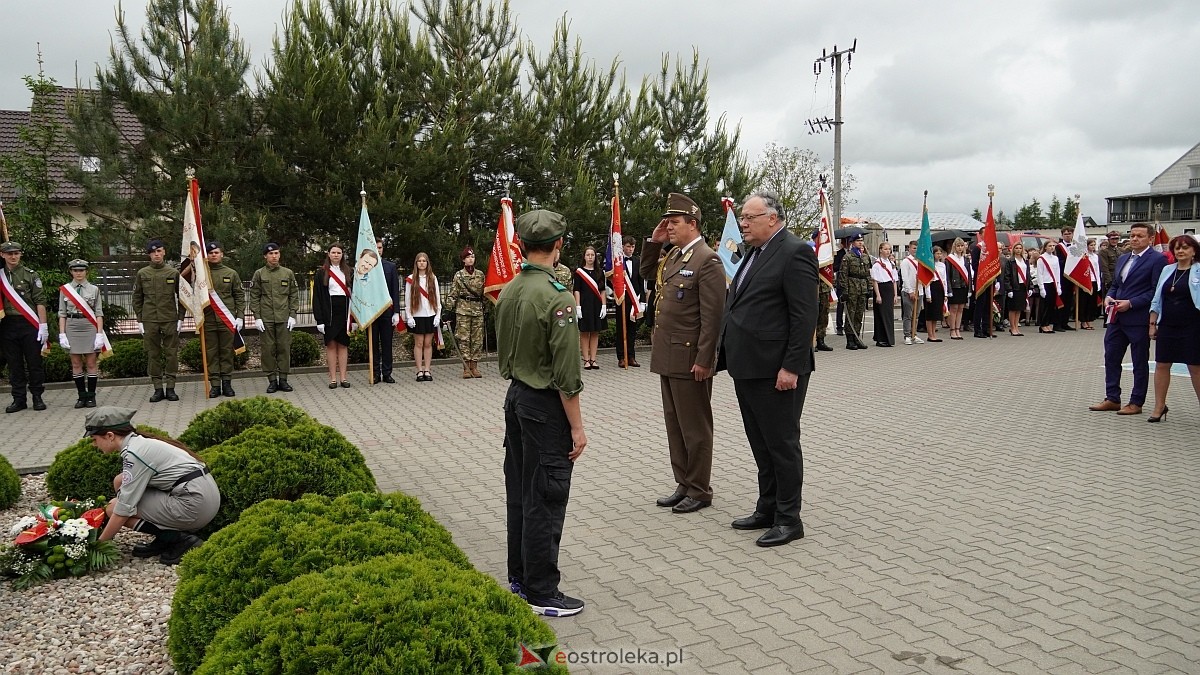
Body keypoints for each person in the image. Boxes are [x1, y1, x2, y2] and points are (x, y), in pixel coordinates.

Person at [495, 209, 587, 617]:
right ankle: (542, 591)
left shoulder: (510, 289)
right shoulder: (557, 297)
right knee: (546, 497)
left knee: (520, 493)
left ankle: (520, 578)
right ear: (558, 245)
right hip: (545, 406)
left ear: (523, 245)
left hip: (516, 398)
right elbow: (567, 375)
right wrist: (577, 428)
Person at [717, 190, 817, 547]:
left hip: (777, 371)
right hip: (748, 366)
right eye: (743, 217)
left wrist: (791, 367)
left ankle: (789, 520)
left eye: (749, 217)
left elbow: (804, 316)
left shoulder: (795, 252)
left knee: (782, 444)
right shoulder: (754, 252)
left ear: (772, 219)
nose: (742, 223)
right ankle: (768, 507)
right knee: (761, 444)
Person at [639, 193, 725, 515]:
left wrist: (705, 359)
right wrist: (654, 241)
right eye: (668, 222)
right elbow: (647, 273)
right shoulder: (675, 255)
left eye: (674, 222)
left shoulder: (707, 259)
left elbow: (712, 318)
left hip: (690, 358)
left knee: (695, 427)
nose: (669, 227)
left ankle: (700, 489)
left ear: (692, 224)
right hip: (668, 354)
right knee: (675, 424)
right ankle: (684, 483)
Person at [85, 406, 219, 565]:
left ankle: (178, 539)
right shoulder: (140, 443)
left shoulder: (135, 454)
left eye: (94, 439)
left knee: (113, 507)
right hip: (203, 497)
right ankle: (165, 537)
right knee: (119, 482)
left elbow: (123, 510)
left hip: (194, 506)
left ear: (110, 436)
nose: (94, 444)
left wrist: (98, 545)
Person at [1089, 223, 1167, 416]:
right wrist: (1109, 296)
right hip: (1117, 318)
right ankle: (1112, 398)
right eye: (1132, 235)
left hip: (1138, 318)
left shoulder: (1157, 260)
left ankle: (1136, 401)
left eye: (1140, 236)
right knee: (1111, 357)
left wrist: (1131, 303)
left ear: (1150, 239)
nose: (1134, 239)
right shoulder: (1124, 258)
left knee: (1139, 362)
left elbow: (1156, 291)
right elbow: (1117, 284)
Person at [1147, 235, 1200, 422]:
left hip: (1193, 325)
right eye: (1177, 248)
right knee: (1162, 364)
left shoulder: (1198, 270)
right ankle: (1159, 406)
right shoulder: (1167, 270)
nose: (1180, 251)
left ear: (1194, 251)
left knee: (1195, 366)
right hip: (1168, 325)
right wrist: (1152, 323)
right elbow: (1157, 298)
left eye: (1185, 247)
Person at [134, 239, 185, 403]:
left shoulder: (173, 273)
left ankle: (170, 388)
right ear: (149, 254)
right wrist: (140, 320)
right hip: (150, 319)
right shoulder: (143, 273)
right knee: (153, 354)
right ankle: (157, 389)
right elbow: (137, 298)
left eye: (159, 251)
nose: (156, 254)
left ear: (164, 252)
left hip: (169, 318)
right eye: (153, 252)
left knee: (171, 354)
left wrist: (181, 318)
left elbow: (182, 297)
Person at [0, 241, 48, 413]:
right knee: (14, 364)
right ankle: (19, 399)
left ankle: (37, 396)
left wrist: (43, 325)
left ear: (20, 254)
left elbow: (40, 301)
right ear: (2, 255)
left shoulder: (30, 275)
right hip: (7, 324)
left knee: (34, 362)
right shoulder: (1, 276)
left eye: (16, 253)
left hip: (28, 323)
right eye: (9, 253)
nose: (13, 256)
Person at [249, 243, 300, 393]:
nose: (274, 256)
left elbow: (293, 295)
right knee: (268, 349)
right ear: (265, 256)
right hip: (266, 318)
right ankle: (272, 380)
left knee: (284, 348)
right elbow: (254, 296)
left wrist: (293, 315)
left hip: (284, 317)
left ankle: (283, 380)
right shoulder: (259, 274)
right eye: (271, 254)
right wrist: (257, 317)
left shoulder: (287, 273)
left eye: (276, 253)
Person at [58, 259, 104, 408]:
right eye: (75, 270)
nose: (78, 273)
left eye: (81, 270)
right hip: (72, 326)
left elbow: (99, 313)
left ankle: (91, 396)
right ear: (71, 272)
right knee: (76, 363)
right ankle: (81, 396)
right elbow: (62, 313)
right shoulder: (65, 290)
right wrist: (62, 334)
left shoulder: (94, 289)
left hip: (89, 325)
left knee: (91, 363)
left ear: (86, 272)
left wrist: (99, 334)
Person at [202, 242, 243, 398]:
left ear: (222, 254)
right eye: (210, 253)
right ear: (206, 256)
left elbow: (239, 296)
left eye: (216, 252)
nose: (214, 255)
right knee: (211, 353)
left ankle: (227, 383)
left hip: (227, 320)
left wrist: (240, 316)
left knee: (226, 352)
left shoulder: (231, 273)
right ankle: (215, 385)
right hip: (208, 320)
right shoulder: (202, 275)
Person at [314, 243, 354, 388]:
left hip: (344, 312)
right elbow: (317, 297)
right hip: (329, 313)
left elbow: (355, 296)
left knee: (343, 345)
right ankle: (332, 379)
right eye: (333, 252)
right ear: (328, 254)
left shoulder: (349, 271)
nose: (336, 255)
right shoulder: (321, 273)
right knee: (331, 345)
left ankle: (343, 378)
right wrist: (319, 320)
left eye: (339, 252)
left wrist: (354, 319)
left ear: (342, 255)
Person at [447, 246, 486, 378]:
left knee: (477, 339)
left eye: (472, 257)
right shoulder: (459, 275)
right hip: (463, 310)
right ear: (463, 260)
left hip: (477, 310)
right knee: (463, 338)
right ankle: (466, 367)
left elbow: (484, 293)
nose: (470, 259)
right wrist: (448, 309)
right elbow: (453, 293)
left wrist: (486, 307)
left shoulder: (480, 275)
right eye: (468, 257)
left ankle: (474, 366)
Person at [404, 252, 441, 382]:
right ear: (416, 263)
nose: (421, 263)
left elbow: (437, 298)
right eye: (419, 261)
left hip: (430, 314)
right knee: (419, 343)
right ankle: (419, 370)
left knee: (428, 343)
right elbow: (407, 299)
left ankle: (427, 369)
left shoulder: (432, 278)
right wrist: (409, 317)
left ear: (427, 263)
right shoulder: (411, 279)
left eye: (424, 261)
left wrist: (438, 315)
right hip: (417, 315)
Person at [372, 237, 401, 383]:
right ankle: (375, 373)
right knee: (373, 344)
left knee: (387, 343)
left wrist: (396, 312)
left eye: (380, 247)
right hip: (371, 312)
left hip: (387, 311)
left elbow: (395, 290)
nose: (378, 250)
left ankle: (387, 372)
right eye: (375, 247)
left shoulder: (390, 267)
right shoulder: (365, 267)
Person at [572, 246, 607, 370]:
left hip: (596, 305)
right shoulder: (579, 272)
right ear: (584, 257)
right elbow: (576, 290)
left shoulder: (600, 272)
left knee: (595, 332)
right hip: (584, 305)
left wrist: (604, 305)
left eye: (592, 255)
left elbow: (602, 290)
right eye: (588, 255)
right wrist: (578, 306)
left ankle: (593, 359)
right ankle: (586, 359)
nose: (590, 257)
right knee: (585, 332)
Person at [614, 236, 644, 367]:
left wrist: (642, 301)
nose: (630, 249)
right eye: (628, 246)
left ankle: (631, 356)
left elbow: (641, 281)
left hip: (634, 299)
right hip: (622, 299)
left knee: (632, 329)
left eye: (632, 247)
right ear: (623, 247)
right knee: (621, 328)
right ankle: (621, 356)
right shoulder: (618, 262)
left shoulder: (637, 261)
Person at [840, 234, 871, 350]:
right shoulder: (847, 257)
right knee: (851, 314)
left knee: (859, 314)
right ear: (852, 242)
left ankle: (857, 337)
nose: (860, 242)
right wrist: (844, 291)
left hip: (862, 288)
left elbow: (868, 274)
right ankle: (850, 339)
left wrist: (869, 288)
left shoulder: (865, 257)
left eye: (861, 240)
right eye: (858, 240)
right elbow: (843, 275)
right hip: (852, 288)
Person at [945, 238, 972, 340]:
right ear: (954, 247)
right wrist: (949, 290)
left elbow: (969, 275)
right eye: (958, 246)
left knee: (961, 308)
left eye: (961, 246)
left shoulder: (966, 259)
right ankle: (952, 330)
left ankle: (957, 329)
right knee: (954, 309)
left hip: (963, 287)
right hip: (954, 287)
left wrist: (970, 289)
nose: (960, 248)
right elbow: (947, 276)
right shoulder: (949, 259)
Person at [1001, 242, 1031, 336]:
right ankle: (1012, 327)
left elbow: (1028, 274)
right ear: (1013, 249)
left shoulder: (1025, 260)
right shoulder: (1010, 261)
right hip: (1014, 287)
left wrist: (1030, 287)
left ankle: (1016, 327)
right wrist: (1009, 289)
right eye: (1016, 248)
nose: (1018, 250)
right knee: (1013, 308)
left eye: (1020, 248)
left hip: (1023, 286)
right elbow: (1007, 276)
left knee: (1019, 308)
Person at [871, 241, 897, 347]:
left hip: (889, 289)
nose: (888, 251)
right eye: (885, 249)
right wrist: (878, 295)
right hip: (881, 289)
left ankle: (889, 338)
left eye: (889, 249)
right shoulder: (877, 264)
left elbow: (894, 280)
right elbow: (875, 281)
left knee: (889, 314)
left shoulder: (891, 264)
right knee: (881, 314)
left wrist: (895, 294)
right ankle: (880, 338)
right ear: (880, 250)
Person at [899, 241, 924, 345]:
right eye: (914, 248)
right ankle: (907, 335)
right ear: (909, 249)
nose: (915, 250)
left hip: (919, 290)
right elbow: (905, 277)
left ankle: (914, 333)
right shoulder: (906, 261)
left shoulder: (921, 261)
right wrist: (910, 291)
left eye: (917, 248)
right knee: (908, 315)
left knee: (916, 315)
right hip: (908, 291)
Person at [1036, 240, 1063, 334]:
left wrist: (1058, 285)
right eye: (1050, 246)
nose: (1052, 247)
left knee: (1052, 306)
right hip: (1045, 283)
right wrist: (1041, 288)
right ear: (1045, 247)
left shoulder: (1055, 258)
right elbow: (1039, 274)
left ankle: (1047, 323)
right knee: (1045, 306)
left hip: (1053, 283)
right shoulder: (1041, 258)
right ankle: (1043, 324)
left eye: (1053, 246)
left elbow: (1057, 272)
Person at [1054, 226, 1077, 331]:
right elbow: (1058, 261)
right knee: (1061, 300)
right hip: (1061, 276)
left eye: (1069, 234)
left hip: (1071, 277)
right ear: (1062, 235)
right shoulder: (1058, 247)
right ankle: (1057, 323)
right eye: (1065, 234)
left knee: (1069, 301)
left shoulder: (1075, 247)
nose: (1067, 236)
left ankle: (1065, 322)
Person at [923, 247, 948, 342]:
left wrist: (945, 293)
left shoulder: (942, 265)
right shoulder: (929, 265)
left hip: (939, 287)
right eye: (937, 253)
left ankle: (934, 333)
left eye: (940, 253)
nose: (939, 255)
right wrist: (928, 295)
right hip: (932, 287)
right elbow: (927, 281)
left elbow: (944, 280)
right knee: (931, 313)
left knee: (936, 313)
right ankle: (930, 334)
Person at [1079, 239, 1101, 330]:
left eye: (1094, 245)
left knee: (1092, 302)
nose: (1093, 247)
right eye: (1091, 245)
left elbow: (1097, 269)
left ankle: (1089, 319)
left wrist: (1098, 282)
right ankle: (1083, 321)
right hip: (1085, 281)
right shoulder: (1084, 256)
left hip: (1094, 280)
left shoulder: (1096, 256)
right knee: (1084, 301)